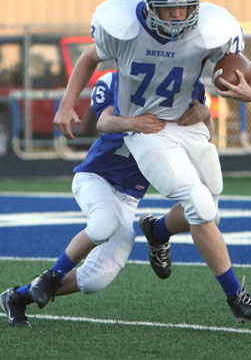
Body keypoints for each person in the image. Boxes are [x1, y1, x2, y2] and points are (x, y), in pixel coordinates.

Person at [49, 0, 251, 324]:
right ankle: (237, 298)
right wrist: (65, 103)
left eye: (183, 7)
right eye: (168, 7)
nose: (175, 15)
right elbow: (90, 56)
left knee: (209, 208)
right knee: (198, 202)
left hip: (187, 122)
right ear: (148, 6)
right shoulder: (124, 27)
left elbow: (241, 62)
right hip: (147, 128)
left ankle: (157, 230)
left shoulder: (208, 29)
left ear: (194, 6)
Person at [0, 71, 211, 328]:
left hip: (128, 195)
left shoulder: (188, 88)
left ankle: (16, 297)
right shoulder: (117, 81)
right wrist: (135, 123)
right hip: (95, 178)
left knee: (94, 280)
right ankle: (52, 274)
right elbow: (104, 122)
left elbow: (203, 137)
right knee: (103, 224)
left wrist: (206, 116)